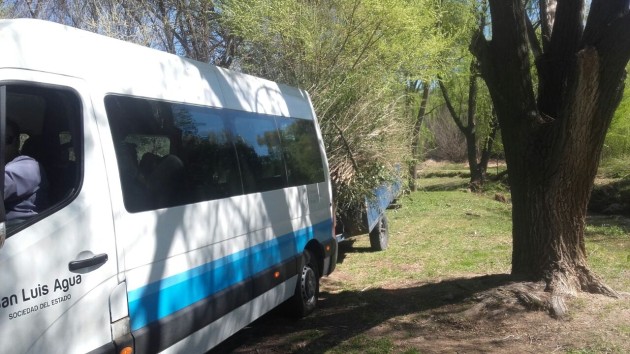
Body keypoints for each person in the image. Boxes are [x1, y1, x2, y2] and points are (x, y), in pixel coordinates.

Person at [3, 119, 49, 222]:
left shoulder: (28, 166)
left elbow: (4, 182)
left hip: (18, 232)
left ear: (17, 142)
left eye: (5, 139)